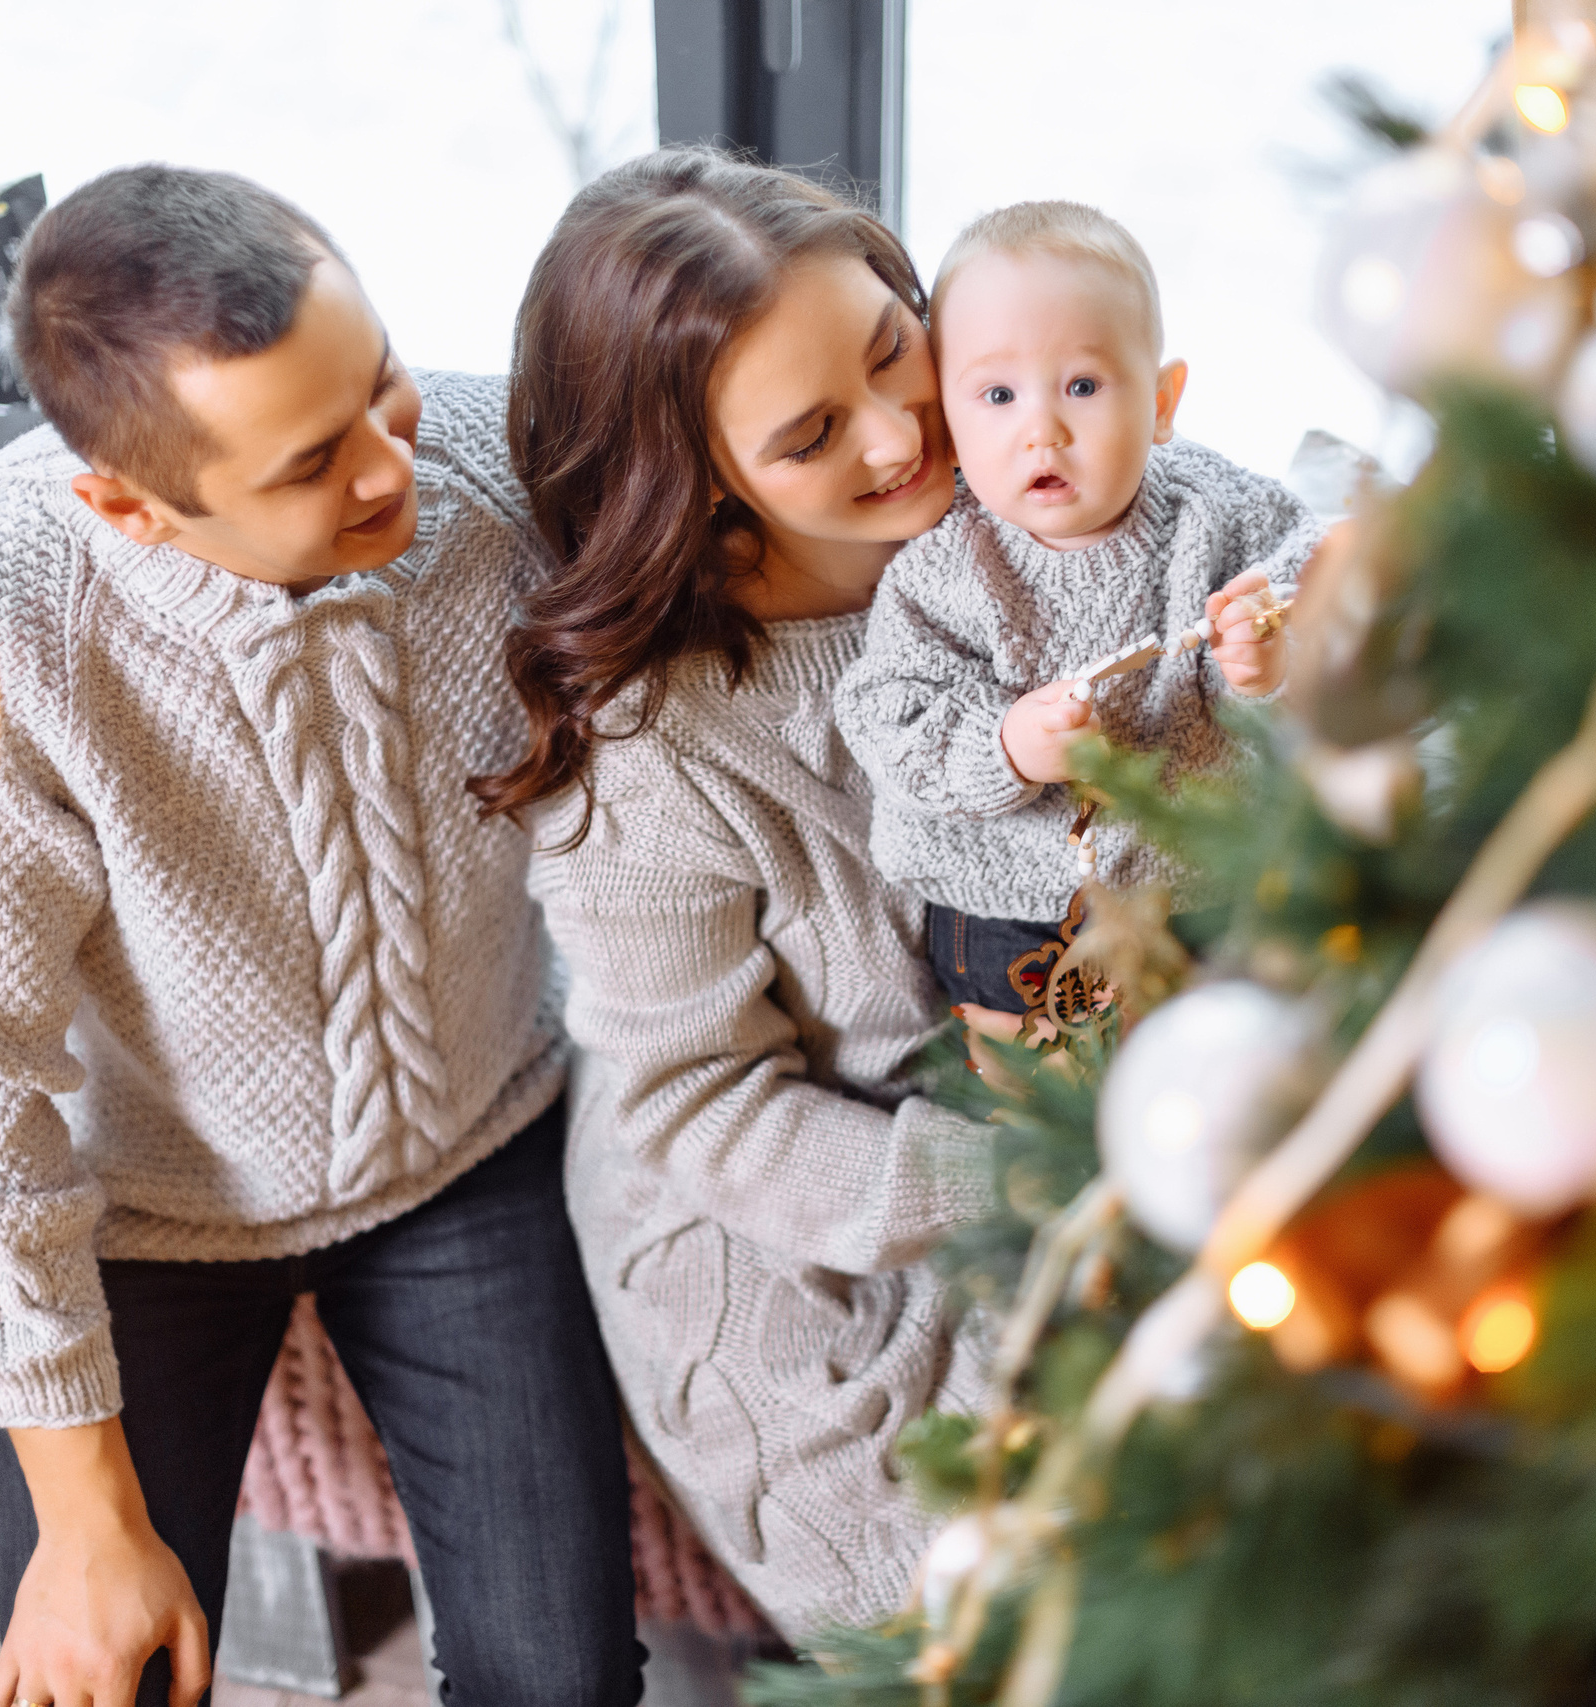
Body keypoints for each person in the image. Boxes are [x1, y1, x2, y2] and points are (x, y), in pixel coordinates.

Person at [0, 165, 641, 1707]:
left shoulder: (503, 467)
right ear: (129, 504)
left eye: (383, 384)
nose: (390, 464)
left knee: (566, 1679)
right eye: (310, 459)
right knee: (100, 1667)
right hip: (144, 1208)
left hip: (478, 1142)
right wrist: (83, 1517)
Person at [469, 148, 995, 1638]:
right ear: (698, 475)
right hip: (798, 1257)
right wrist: (1021, 1181)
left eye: (898, 346)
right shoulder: (652, 752)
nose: (907, 431)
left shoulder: (1003, 509)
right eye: (819, 428)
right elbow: (705, 1111)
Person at [832, 202, 1326, 1019]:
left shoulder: (1221, 512)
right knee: (1029, 1086)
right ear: (947, 427)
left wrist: (1271, 654)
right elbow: (887, 717)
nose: (1043, 430)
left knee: (1230, 1049)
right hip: (1008, 906)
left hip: (1203, 883)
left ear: (1162, 402)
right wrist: (1007, 748)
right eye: (997, 394)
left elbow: (1316, 581)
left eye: (1084, 386)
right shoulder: (942, 571)